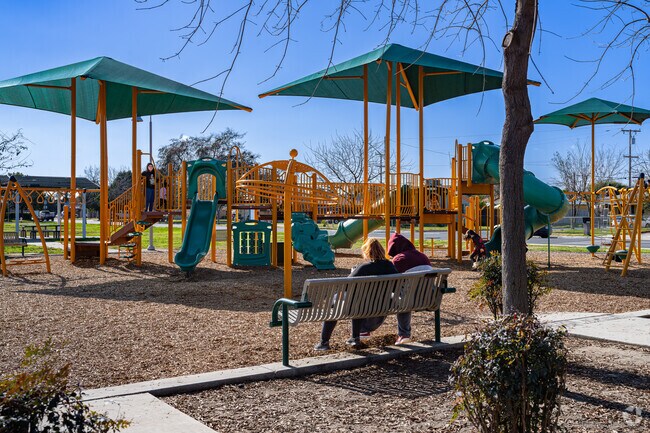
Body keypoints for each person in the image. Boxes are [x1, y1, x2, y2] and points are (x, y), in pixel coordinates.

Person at [314, 238, 398, 351]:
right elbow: (397, 286)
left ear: (367, 252)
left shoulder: (363, 268)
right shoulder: (390, 267)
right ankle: (354, 338)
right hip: (381, 306)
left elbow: (345, 286)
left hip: (360, 308)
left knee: (335, 304)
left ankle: (324, 342)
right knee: (357, 301)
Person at [386, 233, 432, 345]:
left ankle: (403, 334)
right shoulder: (423, 257)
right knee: (406, 295)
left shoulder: (398, 259)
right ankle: (403, 335)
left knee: (396, 296)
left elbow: (391, 282)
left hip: (408, 301)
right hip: (428, 298)